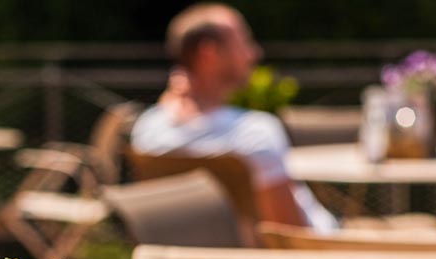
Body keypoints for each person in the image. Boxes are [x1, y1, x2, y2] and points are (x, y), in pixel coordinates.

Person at [130, 3, 337, 231]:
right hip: (318, 247)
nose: (254, 53)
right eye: (244, 42)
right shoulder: (255, 133)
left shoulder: (148, 130)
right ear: (209, 53)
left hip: (189, 251)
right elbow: (289, 234)